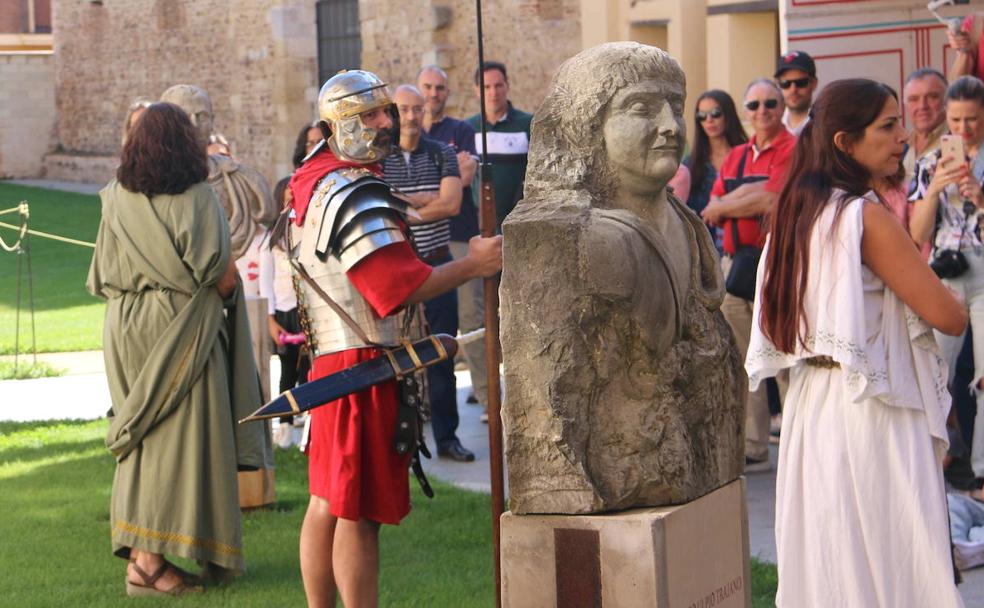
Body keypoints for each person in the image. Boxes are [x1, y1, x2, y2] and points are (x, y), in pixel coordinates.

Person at [747, 77, 966, 607]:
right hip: (874, 403)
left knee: (833, 552)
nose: (903, 137)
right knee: (894, 549)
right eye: (888, 126)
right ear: (846, 142)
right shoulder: (863, 217)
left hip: (812, 404)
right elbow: (949, 315)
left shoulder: (792, 214)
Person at [502, 41, 745, 512]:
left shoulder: (685, 222)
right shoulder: (567, 235)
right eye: (641, 108)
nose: (671, 126)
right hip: (625, 471)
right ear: (590, 125)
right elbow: (555, 395)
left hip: (698, 463)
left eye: (675, 106)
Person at [289, 70, 501, 608]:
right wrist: (473, 264)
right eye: (371, 115)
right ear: (337, 125)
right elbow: (397, 289)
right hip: (362, 367)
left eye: (386, 111)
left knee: (328, 501)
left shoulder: (312, 176)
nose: (386, 123)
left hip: (334, 366)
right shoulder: (353, 189)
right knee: (355, 512)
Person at [88, 102, 265, 596]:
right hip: (183, 324)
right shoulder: (197, 199)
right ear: (187, 144)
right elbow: (220, 275)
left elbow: (100, 273)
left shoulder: (114, 199)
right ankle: (146, 564)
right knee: (184, 443)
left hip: (124, 328)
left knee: (143, 438)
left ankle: (162, 555)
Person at [701, 78, 796, 472]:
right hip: (736, 265)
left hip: (778, 265)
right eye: (754, 105)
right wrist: (739, 201)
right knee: (744, 360)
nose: (762, 111)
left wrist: (730, 203)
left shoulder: (793, 148)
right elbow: (711, 206)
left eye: (770, 103)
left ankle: (796, 441)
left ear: (780, 106)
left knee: (785, 356)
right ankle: (753, 444)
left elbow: (772, 200)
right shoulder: (737, 156)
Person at [382, 84, 474, 461]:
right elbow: (379, 203)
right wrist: (420, 201)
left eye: (417, 109)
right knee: (394, 355)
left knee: (441, 351)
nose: (411, 116)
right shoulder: (380, 157)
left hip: (436, 259)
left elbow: (451, 204)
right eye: (404, 109)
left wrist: (404, 205)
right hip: (397, 263)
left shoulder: (441, 154)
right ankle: (403, 440)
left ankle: (447, 437)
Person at [910, 75, 984, 493]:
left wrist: (980, 196)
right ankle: (933, 457)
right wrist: (935, 189)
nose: (964, 129)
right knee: (937, 368)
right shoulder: (930, 160)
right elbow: (919, 232)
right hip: (946, 268)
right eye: (955, 119)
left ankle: (982, 468)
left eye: (972, 119)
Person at [416, 65, 490, 418]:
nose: (433, 94)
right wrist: (443, 185)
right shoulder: (409, 135)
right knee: (422, 326)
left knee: (470, 317)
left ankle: (490, 399)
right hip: (418, 241)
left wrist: (417, 196)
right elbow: (448, 183)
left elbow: (463, 180)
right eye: (428, 87)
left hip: (458, 236)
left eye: (440, 88)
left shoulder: (460, 130)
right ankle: (425, 403)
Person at [262, 177, 310, 449]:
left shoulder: (308, 231)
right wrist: (270, 318)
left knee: (310, 367)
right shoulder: (273, 239)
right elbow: (265, 282)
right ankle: (285, 424)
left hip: (306, 309)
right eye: (287, 197)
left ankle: (310, 417)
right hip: (284, 310)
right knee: (287, 368)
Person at [465, 61, 534, 227]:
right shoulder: (468, 128)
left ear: (507, 86)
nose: (493, 93)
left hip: (520, 222)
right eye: (486, 87)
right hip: (480, 225)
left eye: (498, 85)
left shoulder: (528, 124)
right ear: (476, 90)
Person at [683, 89, 748, 247]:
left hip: (743, 249)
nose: (709, 120)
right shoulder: (690, 165)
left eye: (715, 113)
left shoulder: (749, 155)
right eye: (702, 116)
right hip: (707, 250)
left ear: (728, 114)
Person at [903, 68, 948, 186]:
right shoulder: (901, 144)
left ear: (947, 101)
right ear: (906, 105)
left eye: (932, 97)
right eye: (913, 99)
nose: (922, 106)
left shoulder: (960, 142)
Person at [775, 50, 817, 136]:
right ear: (777, 85)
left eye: (801, 82)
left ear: (814, 83)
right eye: (785, 83)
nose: (793, 89)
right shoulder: (772, 126)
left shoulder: (824, 126)